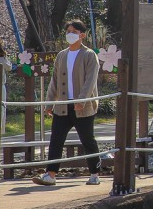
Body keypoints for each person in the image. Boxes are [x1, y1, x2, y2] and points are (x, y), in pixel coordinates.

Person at [32, 21, 102, 186]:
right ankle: (51, 174)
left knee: (87, 140)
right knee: (56, 139)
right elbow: (54, 82)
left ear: (82, 35)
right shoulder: (61, 55)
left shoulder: (89, 55)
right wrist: (49, 103)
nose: (70, 34)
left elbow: (90, 80)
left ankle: (94, 173)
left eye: (74, 31)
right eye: (68, 31)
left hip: (82, 106)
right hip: (62, 105)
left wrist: (82, 100)